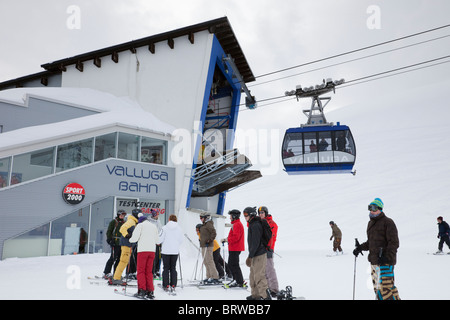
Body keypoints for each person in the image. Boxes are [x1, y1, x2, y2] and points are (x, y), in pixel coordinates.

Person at [353, 198, 400, 300]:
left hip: (385, 262)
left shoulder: (388, 222)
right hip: (374, 262)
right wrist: (360, 248)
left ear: (380, 209)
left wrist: (386, 258)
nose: (371, 211)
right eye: (370, 208)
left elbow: (394, 242)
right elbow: (371, 243)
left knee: (386, 290)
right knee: (378, 290)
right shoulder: (370, 224)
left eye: (374, 208)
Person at [129, 213, 159, 299]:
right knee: (149, 272)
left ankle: (142, 290)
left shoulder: (140, 225)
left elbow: (134, 238)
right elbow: (157, 240)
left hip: (142, 251)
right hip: (152, 251)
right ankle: (150, 291)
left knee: (141, 271)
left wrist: (130, 240)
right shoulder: (154, 226)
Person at [244, 206, 270, 300]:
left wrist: (250, 256)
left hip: (259, 254)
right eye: (244, 215)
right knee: (252, 276)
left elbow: (256, 242)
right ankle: (255, 295)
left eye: (246, 214)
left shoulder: (255, 225)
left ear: (251, 215)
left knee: (259, 276)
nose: (245, 217)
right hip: (255, 253)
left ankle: (266, 296)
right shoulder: (252, 224)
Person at [109, 208, 140, 286]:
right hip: (126, 244)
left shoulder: (134, 222)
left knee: (123, 261)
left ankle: (117, 276)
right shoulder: (131, 221)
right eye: (139, 215)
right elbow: (122, 228)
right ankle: (116, 278)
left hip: (128, 244)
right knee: (123, 261)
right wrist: (127, 235)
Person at [159, 214, 183, 292]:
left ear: (169, 219)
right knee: (173, 268)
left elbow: (160, 239)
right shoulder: (179, 229)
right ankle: (173, 284)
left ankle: (166, 284)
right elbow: (181, 240)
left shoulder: (164, 228)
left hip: (166, 251)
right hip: (175, 251)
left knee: (166, 268)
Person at [258, 206, 279, 297]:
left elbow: (271, 237)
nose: (260, 214)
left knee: (270, 270)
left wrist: (269, 247)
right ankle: (267, 288)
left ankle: (274, 289)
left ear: (266, 213)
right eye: (259, 213)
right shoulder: (259, 222)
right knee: (263, 271)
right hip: (261, 249)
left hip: (268, 249)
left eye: (262, 212)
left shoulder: (272, 223)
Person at [222, 209, 245, 288]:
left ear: (234, 216)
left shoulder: (237, 224)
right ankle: (237, 280)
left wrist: (227, 240)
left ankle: (239, 281)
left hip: (235, 248)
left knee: (233, 265)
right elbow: (234, 236)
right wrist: (226, 239)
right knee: (233, 264)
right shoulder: (235, 224)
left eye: (231, 216)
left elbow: (236, 237)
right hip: (233, 247)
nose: (230, 217)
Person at [102, 210, 125, 279]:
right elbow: (109, 231)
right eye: (121, 215)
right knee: (113, 258)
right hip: (115, 242)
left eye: (123, 215)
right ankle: (106, 272)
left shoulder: (124, 223)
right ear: (118, 215)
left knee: (119, 259)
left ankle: (116, 273)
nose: (122, 216)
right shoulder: (114, 222)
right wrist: (109, 239)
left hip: (121, 243)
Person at [199, 213, 220, 284]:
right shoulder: (205, 224)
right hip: (204, 245)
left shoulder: (208, 224)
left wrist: (210, 240)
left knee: (209, 261)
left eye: (201, 217)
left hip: (208, 245)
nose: (200, 219)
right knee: (205, 261)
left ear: (206, 218)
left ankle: (214, 277)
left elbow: (214, 232)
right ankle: (208, 276)